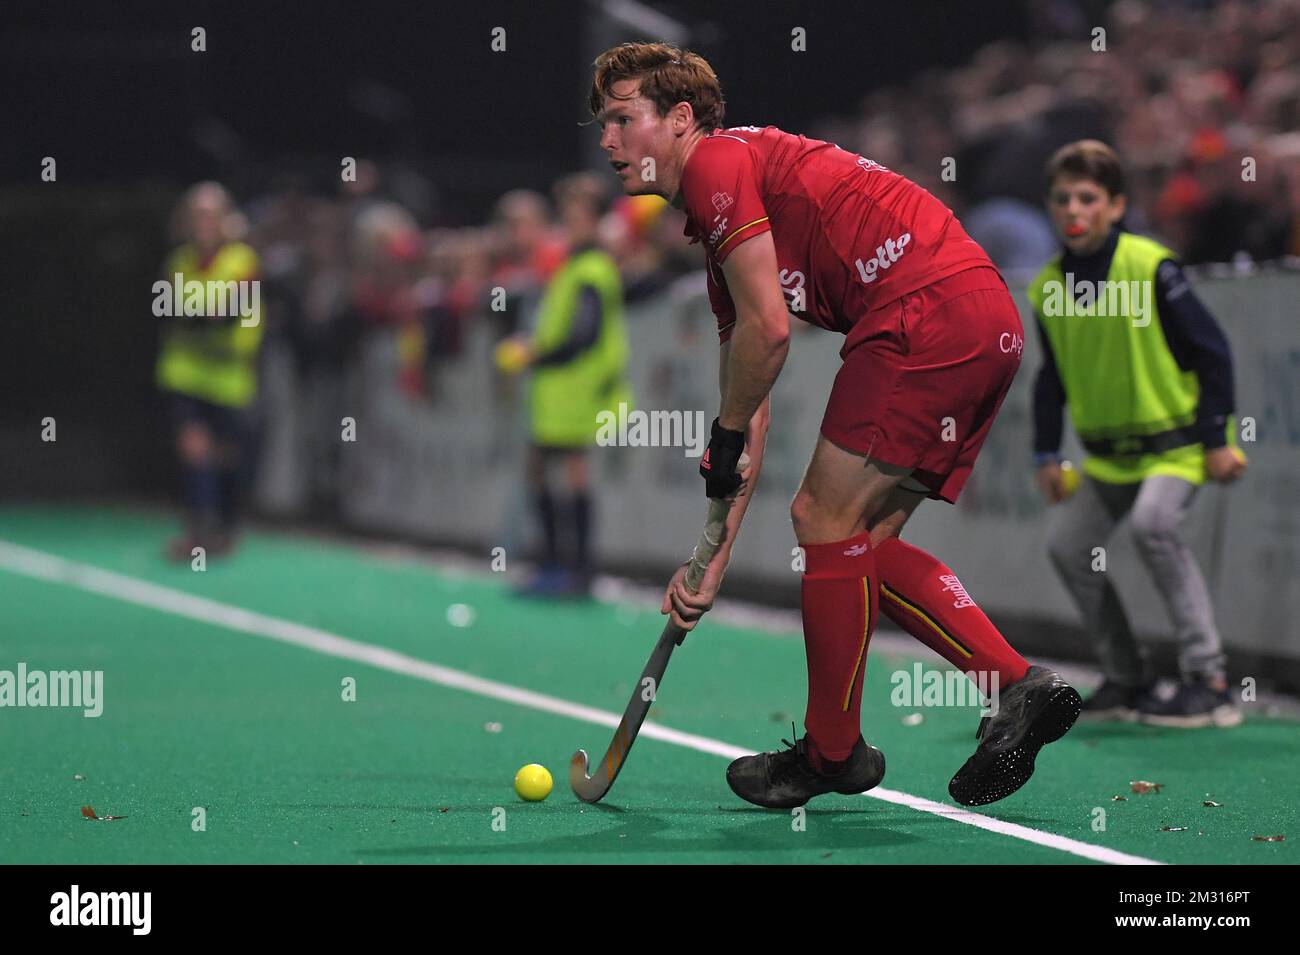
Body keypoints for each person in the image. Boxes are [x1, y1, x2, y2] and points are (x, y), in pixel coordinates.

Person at [589, 41, 1081, 809]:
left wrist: (720, 436)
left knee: (823, 520)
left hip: (923, 312)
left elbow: (770, 339)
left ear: (680, 119)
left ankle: (831, 751)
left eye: (623, 120)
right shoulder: (725, 224)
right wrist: (710, 556)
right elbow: (750, 391)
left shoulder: (717, 165)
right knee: (854, 546)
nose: (607, 141)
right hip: (982, 318)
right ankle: (1016, 685)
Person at [1030, 140, 1246, 728]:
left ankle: (1212, 679)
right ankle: (1127, 678)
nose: (1073, 209)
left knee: (1154, 526)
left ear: (1117, 206)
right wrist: (1047, 452)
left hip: (1174, 448)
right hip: (1105, 461)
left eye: (1088, 198)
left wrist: (1218, 438)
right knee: (1068, 549)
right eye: (1062, 199)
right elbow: (1051, 380)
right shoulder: (1047, 286)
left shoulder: (1152, 267)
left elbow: (1214, 353)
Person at [495, 173, 634, 597]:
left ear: (596, 220)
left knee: (569, 474)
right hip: (561, 392)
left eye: (576, 215)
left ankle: (573, 569)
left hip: (578, 391)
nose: (568, 223)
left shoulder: (591, 269)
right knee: (548, 471)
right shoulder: (575, 267)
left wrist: (534, 354)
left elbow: (583, 335)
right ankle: (561, 565)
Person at [156, 182, 264, 560]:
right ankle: (199, 530)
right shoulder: (179, 262)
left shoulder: (241, 260)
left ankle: (226, 525)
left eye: (210, 215)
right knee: (195, 449)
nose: (202, 222)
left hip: (229, 376)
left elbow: (227, 313)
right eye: (196, 215)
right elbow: (175, 312)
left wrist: (203, 315)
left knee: (228, 455)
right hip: (185, 374)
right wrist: (203, 315)